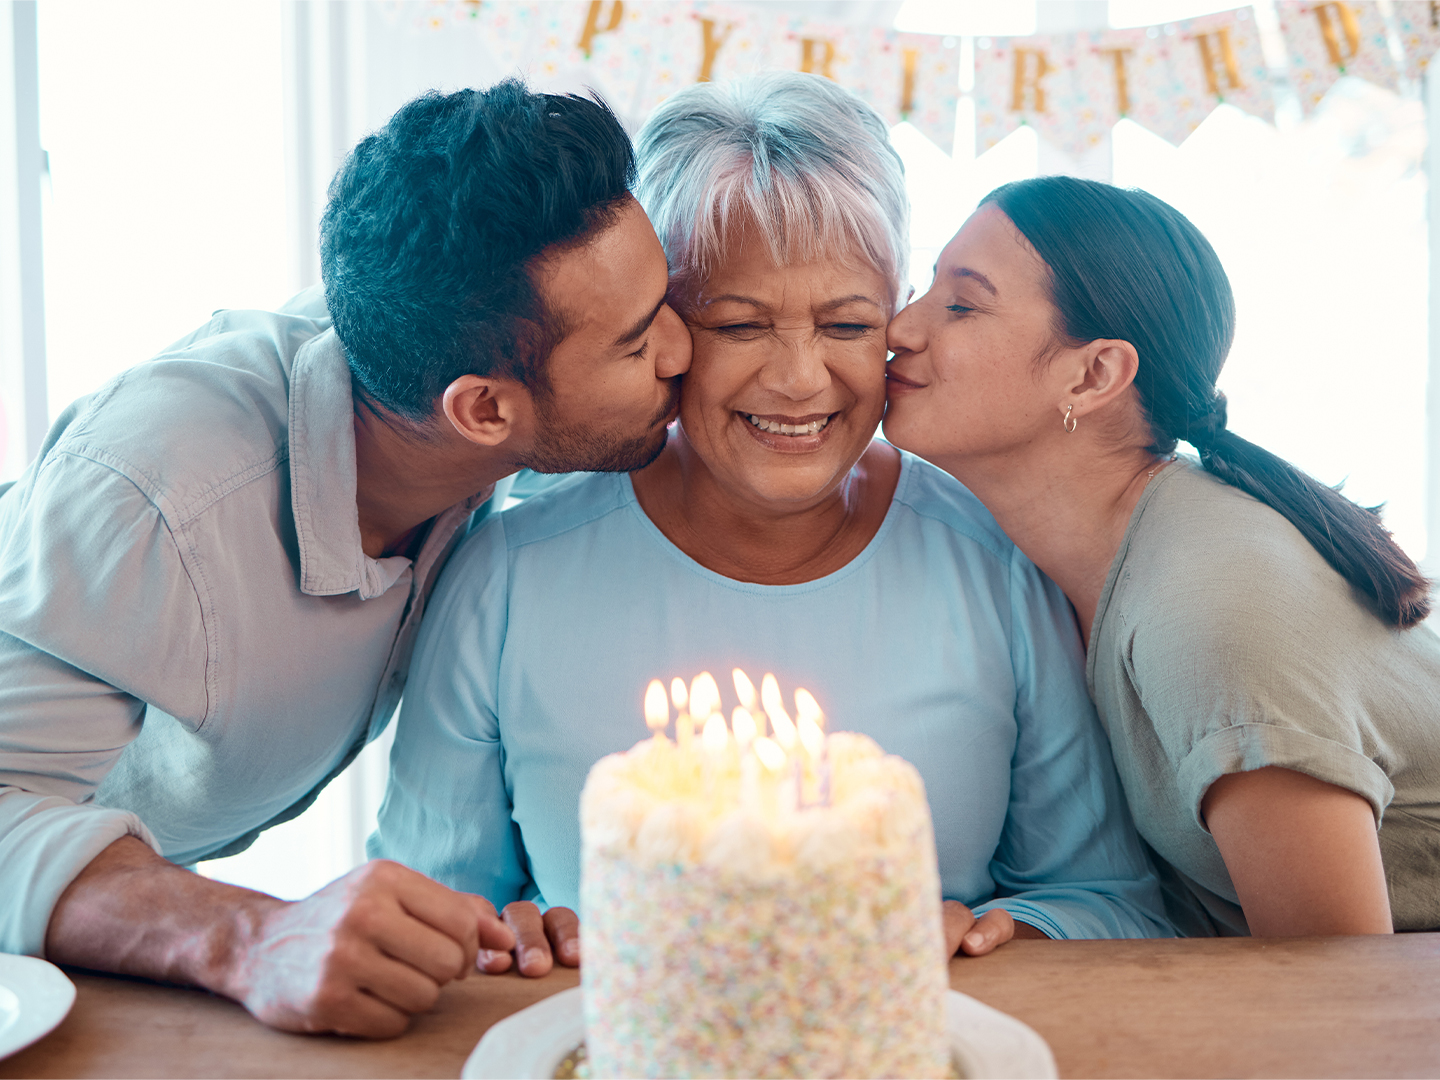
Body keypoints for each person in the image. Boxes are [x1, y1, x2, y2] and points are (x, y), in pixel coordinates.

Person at [370, 73, 1171, 955]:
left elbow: (1110, 900)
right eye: (741, 327)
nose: (798, 379)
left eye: (847, 326)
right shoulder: (508, 573)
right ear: (663, 329)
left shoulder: (996, 560)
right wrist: (498, 939)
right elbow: (420, 913)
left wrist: (1013, 931)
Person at [0, 80, 691, 1035]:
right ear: (482, 411)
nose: (682, 349)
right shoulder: (152, 498)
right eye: (635, 342)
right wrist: (245, 938)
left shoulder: (440, 368)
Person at [883, 174, 1440, 937]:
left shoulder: (1213, 612)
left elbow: (1338, 991)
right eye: (923, 288)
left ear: (1093, 375)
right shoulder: (1058, 566)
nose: (899, 329)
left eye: (962, 305)